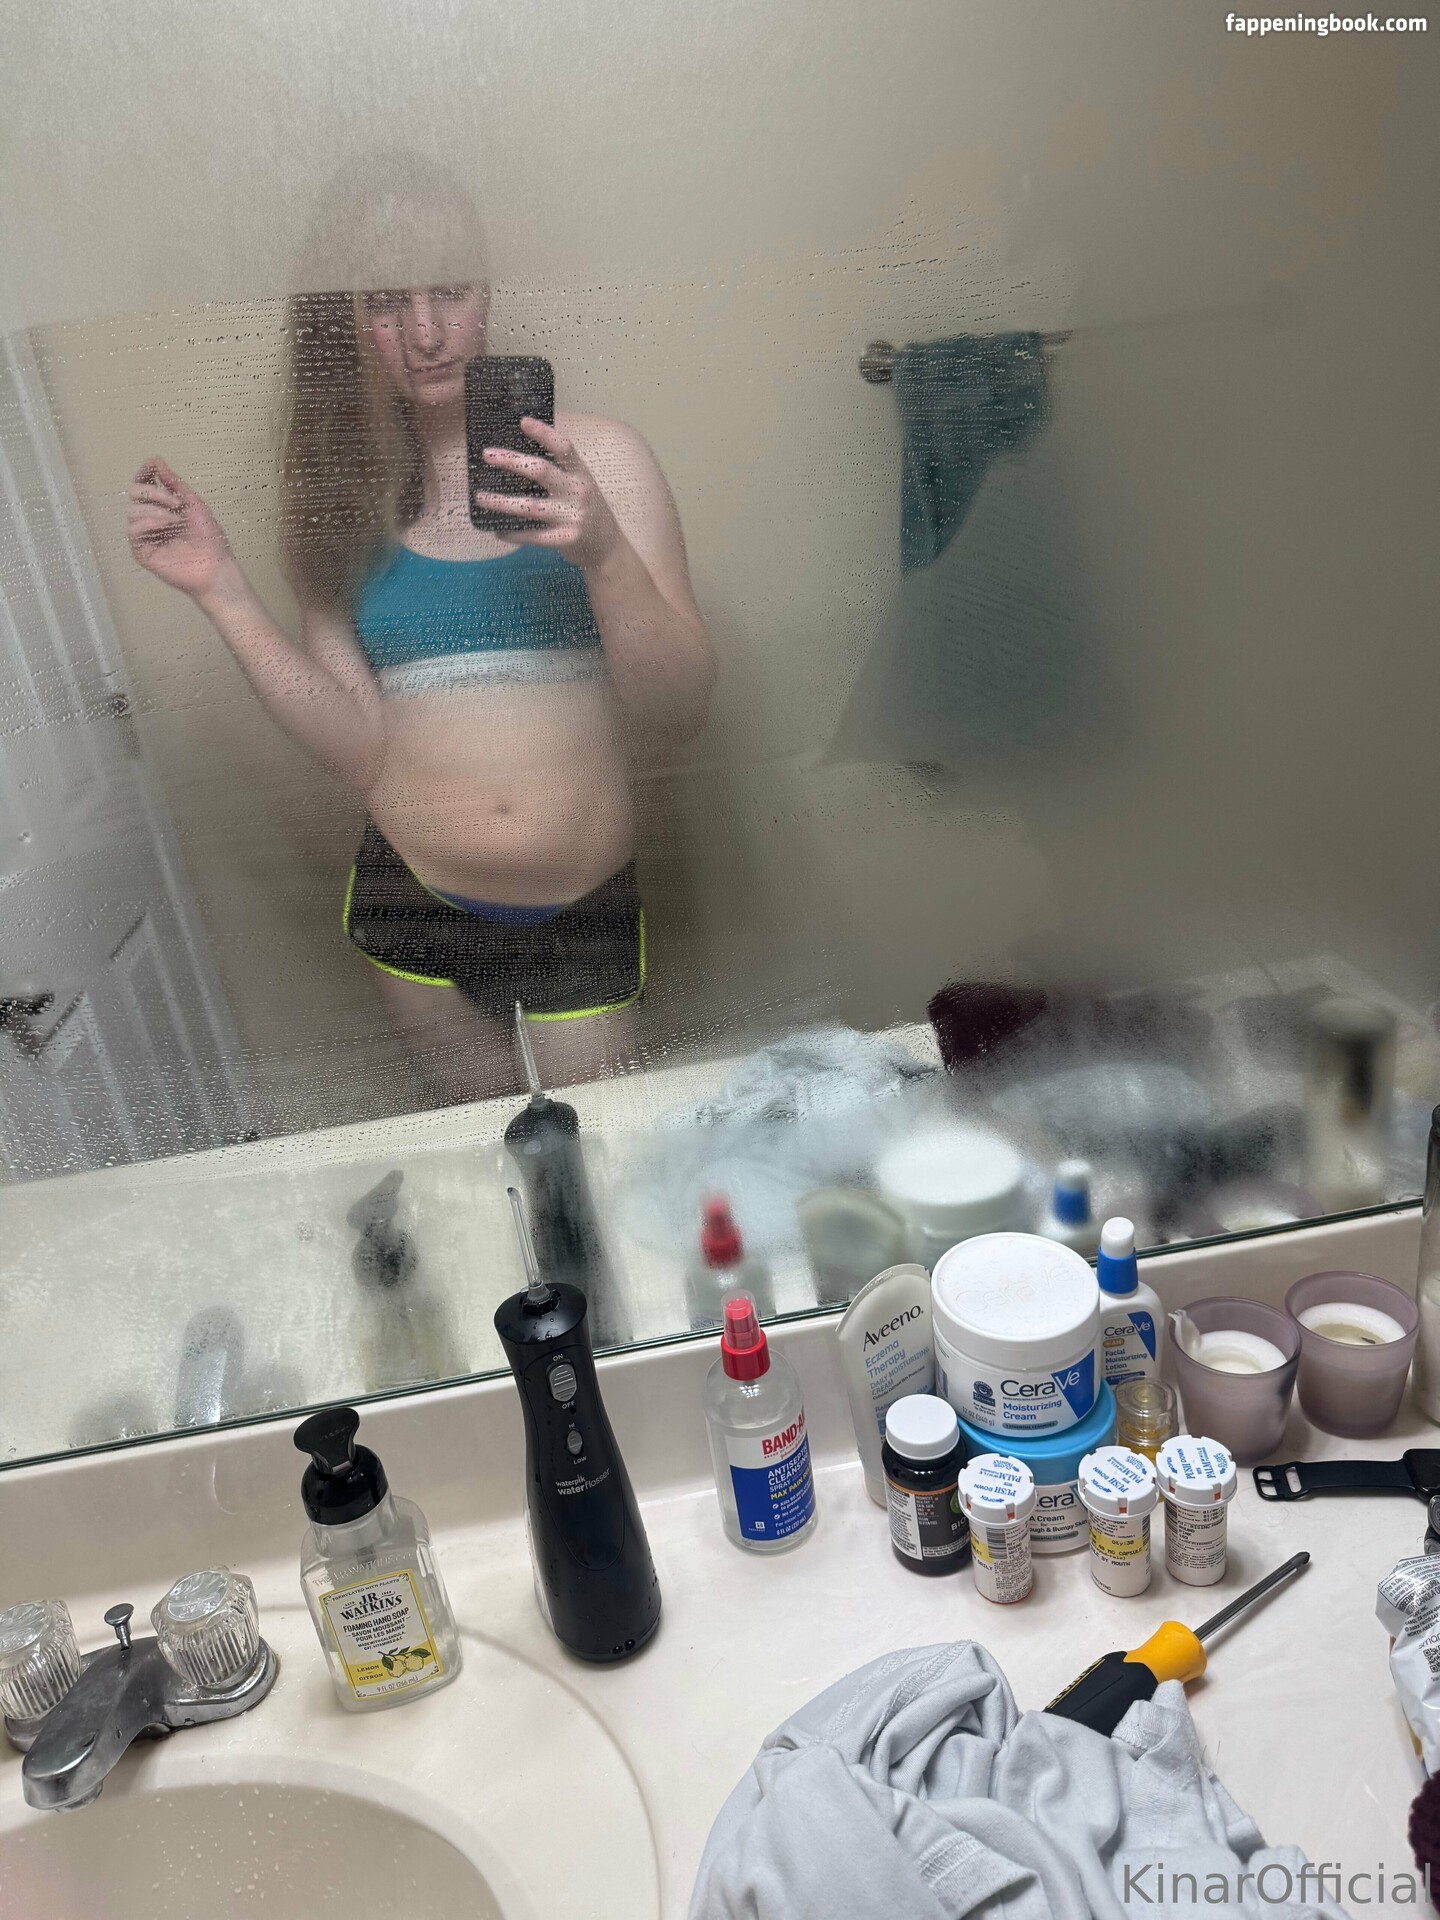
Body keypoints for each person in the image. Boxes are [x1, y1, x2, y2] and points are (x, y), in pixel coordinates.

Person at [127, 182, 715, 1103]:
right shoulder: (340, 499)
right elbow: (359, 751)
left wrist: (603, 554)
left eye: (449, 290)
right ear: (346, 324)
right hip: (413, 903)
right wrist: (222, 590)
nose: (427, 332)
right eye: (385, 304)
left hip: (580, 910)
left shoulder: (603, 460)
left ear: (488, 292)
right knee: (478, 1153)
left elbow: (679, 714)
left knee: (602, 1152)